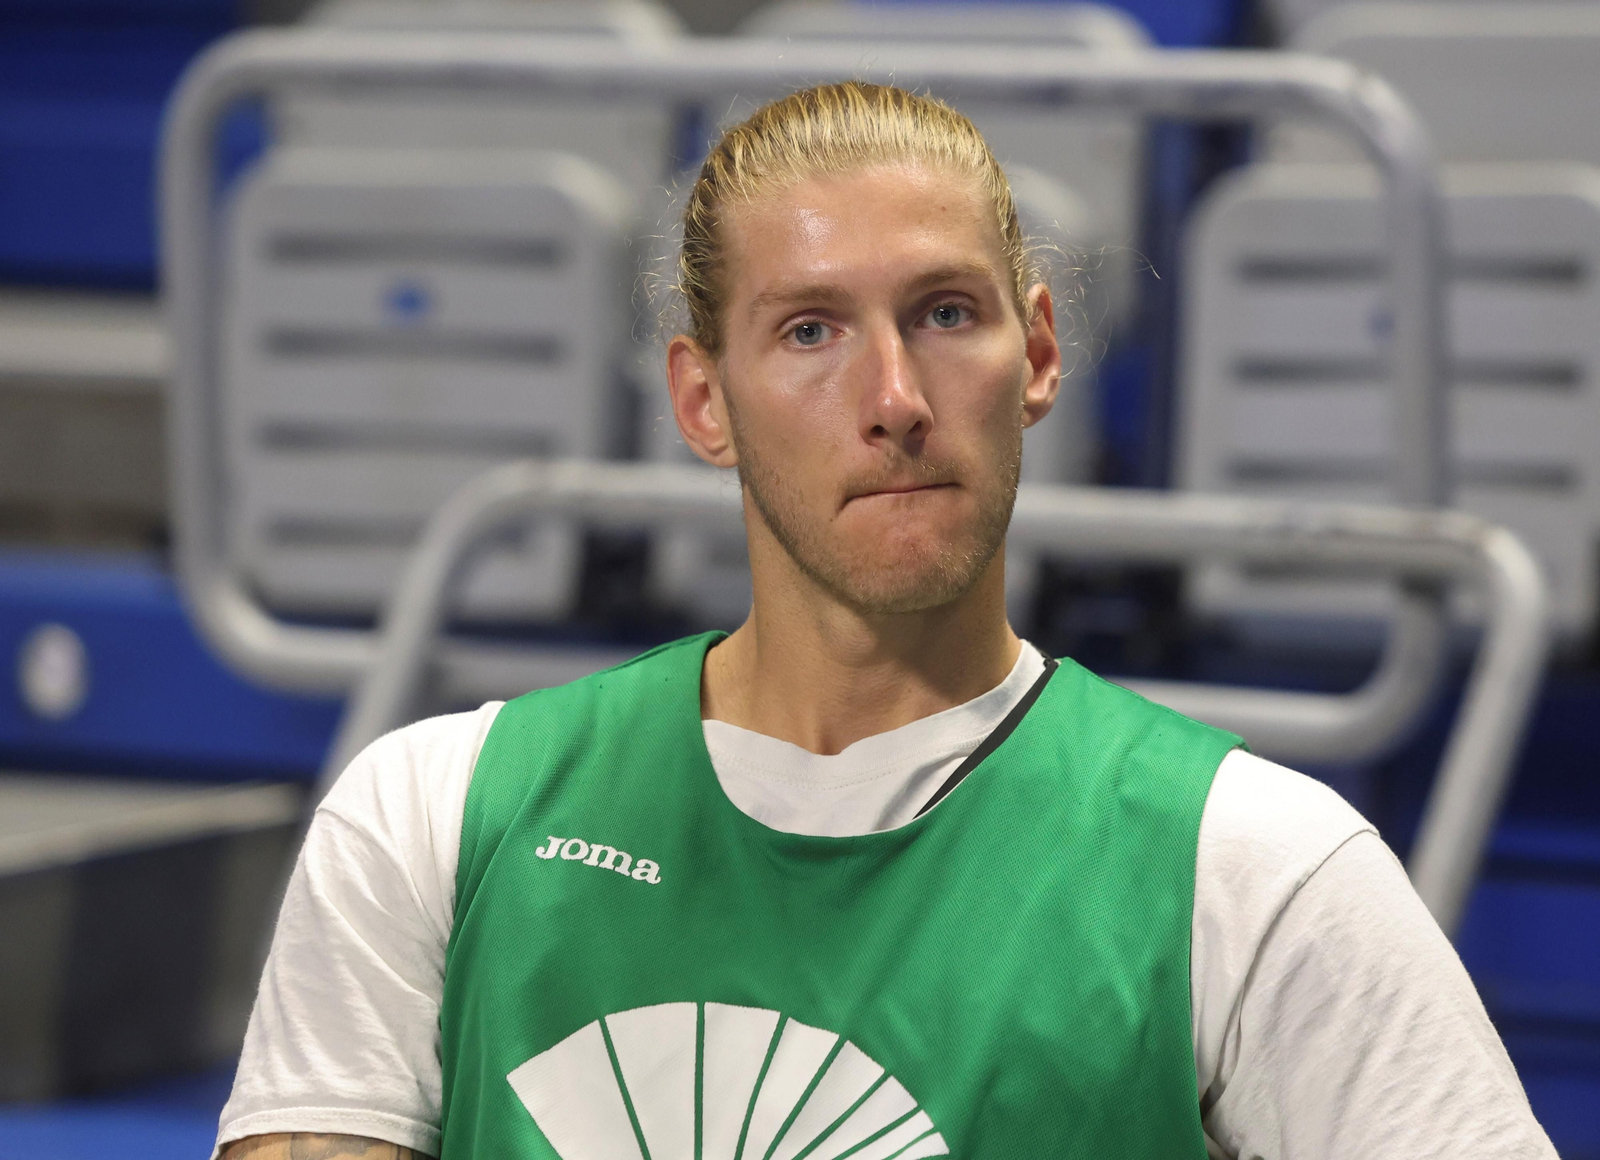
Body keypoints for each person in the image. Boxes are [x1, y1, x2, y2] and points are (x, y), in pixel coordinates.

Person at [216, 82, 1554, 1160]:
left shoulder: (1261, 871)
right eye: (810, 331)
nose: (896, 393)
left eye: (946, 313)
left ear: (1036, 355)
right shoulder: (435, 817)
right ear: (702, 402)